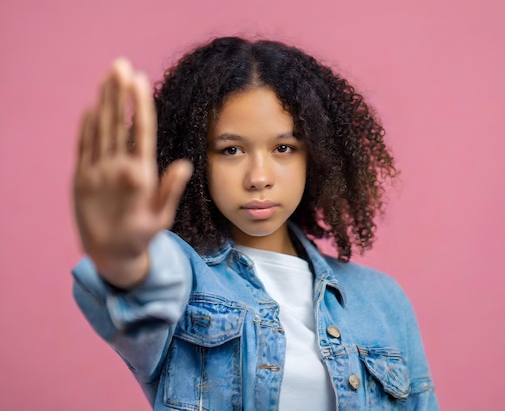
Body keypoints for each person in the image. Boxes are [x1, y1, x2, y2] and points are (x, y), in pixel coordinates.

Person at [72, 37, 439, 410]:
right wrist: (124, 264)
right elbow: (141, 294)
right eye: (231, 150)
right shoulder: (183, 275)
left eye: (283, 148)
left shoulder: (382, 301)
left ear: (316, 155)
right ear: (197, 159)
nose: (259, 177)